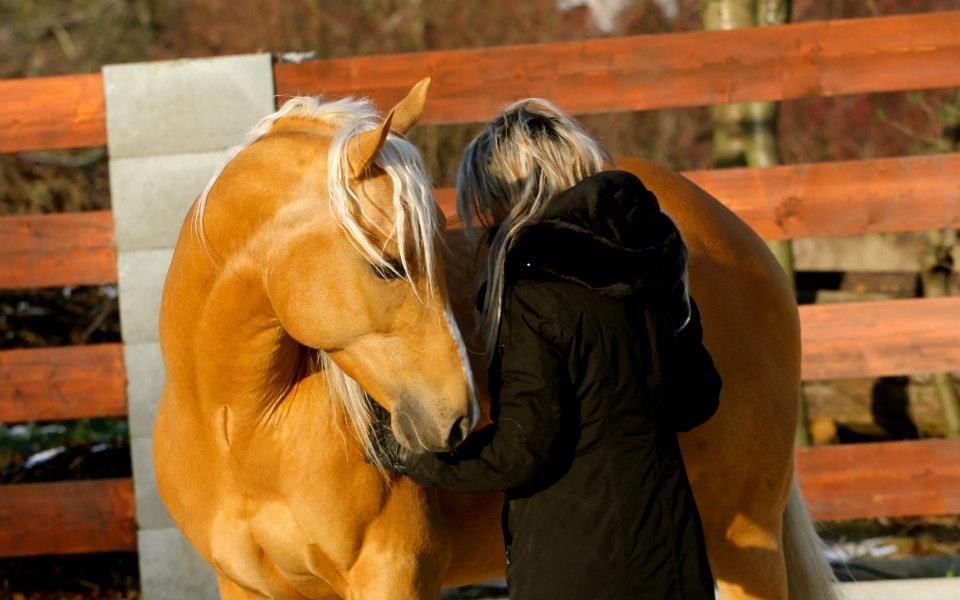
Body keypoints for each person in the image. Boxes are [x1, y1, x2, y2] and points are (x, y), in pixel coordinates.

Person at [387, 99, 721, 599]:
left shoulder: (533, 283)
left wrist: (415, 457)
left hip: (573, 566)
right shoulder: (653, 257)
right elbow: (697, 400)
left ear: (510, 193)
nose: (488, 222)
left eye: (488, 204)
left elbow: (521, 452)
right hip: (672, 556)